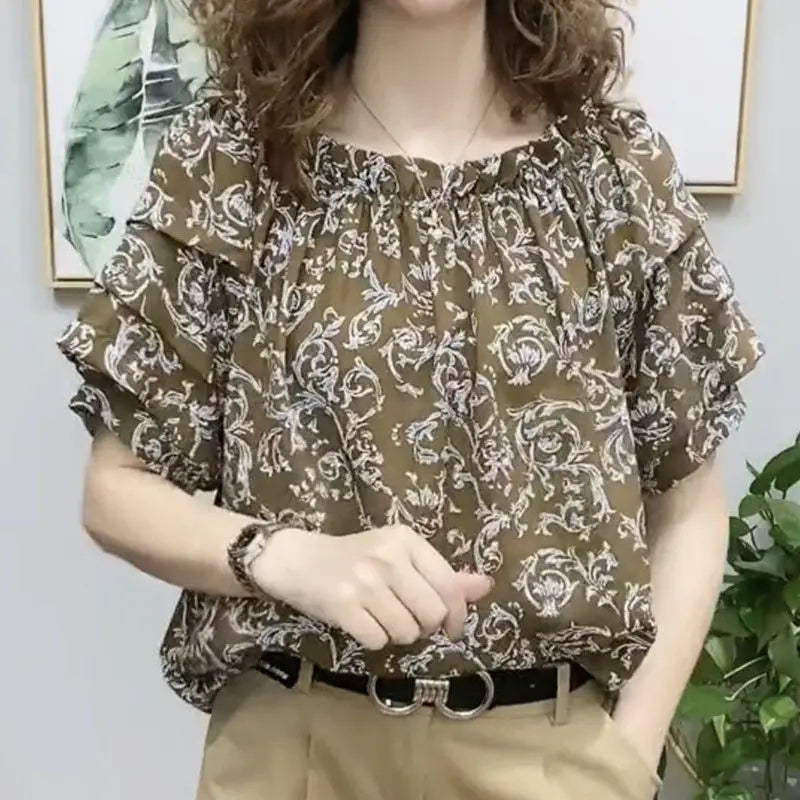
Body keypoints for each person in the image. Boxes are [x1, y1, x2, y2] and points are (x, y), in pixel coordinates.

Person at [57, 1, 763, 798]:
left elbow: (689, 506)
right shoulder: (234, 162)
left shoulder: (612, 174)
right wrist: (287, 558)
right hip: (295, 752)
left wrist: (625, 761)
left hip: (547, 758)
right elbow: (115, 492)